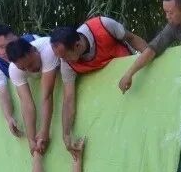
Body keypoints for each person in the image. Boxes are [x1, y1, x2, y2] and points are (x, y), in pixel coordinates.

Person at [49, 18, 147, 156]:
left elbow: (132, 39)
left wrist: (155, 62)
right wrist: (66, 134)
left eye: (65, 56)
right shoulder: (66, 64)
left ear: (77, 46)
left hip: (134, 81)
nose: (62, 61)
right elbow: (68, 98)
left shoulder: (104, 25)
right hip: (115, 99)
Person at [5, 36, 60, 154]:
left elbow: (47, 95)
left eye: (30, 64)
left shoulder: (48, 49)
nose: (29, 70)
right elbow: (26, 104)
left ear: (34, 50)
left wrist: (45, 131)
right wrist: (31, 140)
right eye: (23, 68)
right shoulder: (14, 69)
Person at [0, 24, 38, 137]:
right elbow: (3, 94)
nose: (2, 52)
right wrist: (9, 117)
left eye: (4, 46)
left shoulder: (34, 41)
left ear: (16, 38)